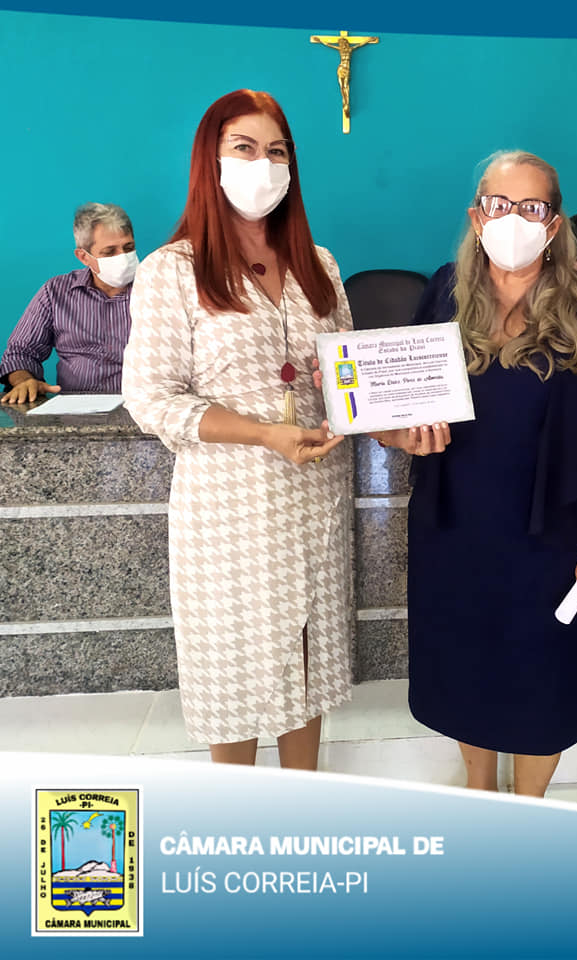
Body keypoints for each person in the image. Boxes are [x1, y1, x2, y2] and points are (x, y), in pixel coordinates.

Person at [373, 151, 577, 797]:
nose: (514, 218)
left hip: (552, 536)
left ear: (554, 223)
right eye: (499, 204)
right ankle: (479, 794)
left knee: (544, 679)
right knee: (467, 670)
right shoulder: (444, 292)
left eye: (532, 207)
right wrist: (402, 434)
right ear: (476, 215)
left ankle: (527, 813)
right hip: (454, 526)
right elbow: (392, 417)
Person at [122, 90, 353, 770]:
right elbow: (151, 397)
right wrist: (262, 434)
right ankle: (238, 814)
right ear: (211, 161)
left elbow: (346, 376)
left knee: (306, 663)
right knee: (236, 670)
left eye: (277, 151)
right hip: (231, 511)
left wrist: (360, 400)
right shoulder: (174, 270)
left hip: (314, 498)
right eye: (245, 149)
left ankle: (303, 801)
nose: (264, 165)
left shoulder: (320, 264)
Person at [1, 202, 138, 403]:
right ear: (83, 256)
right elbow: (20, 352)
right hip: (74, 409)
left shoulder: (159, 288)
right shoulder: (55, 292)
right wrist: (25, 381)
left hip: (144, 408)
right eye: (109, 252)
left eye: (128, 248)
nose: (123, 258)